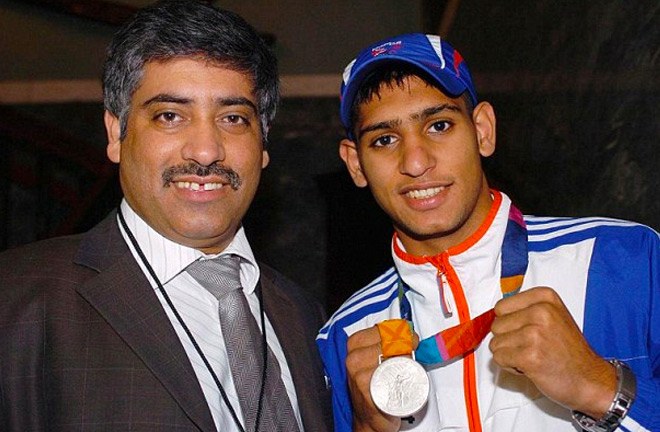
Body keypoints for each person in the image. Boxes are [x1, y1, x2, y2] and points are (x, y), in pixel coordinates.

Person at [0, 1, 332, 431]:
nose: (206, 151)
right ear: (116, 133)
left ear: (263, 144)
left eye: (233, 118)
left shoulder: (306, 318)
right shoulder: (17, 303)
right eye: (170, 116)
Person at [317, 33, 660, 432]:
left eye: (439, 125)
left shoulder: (626, 258)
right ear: (356, 164)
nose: (414, 162)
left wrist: (601, 387)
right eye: (385, 139)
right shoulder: (344, 337)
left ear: (482, 131)